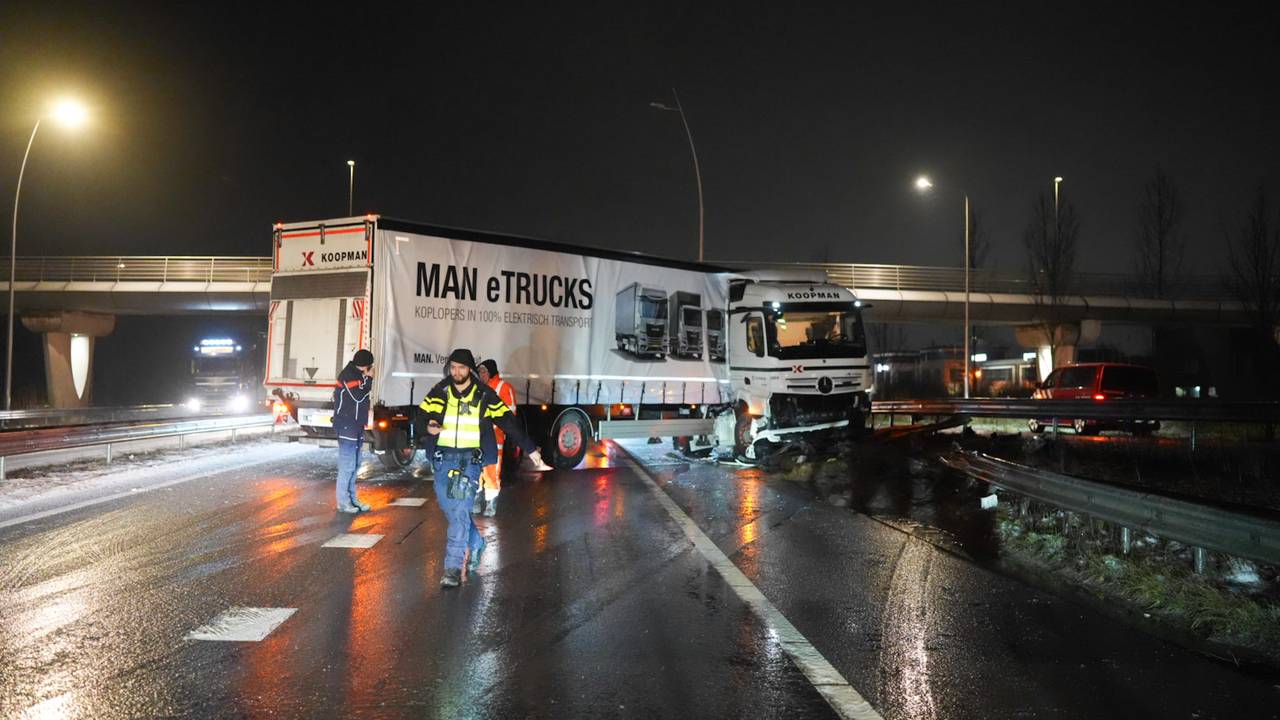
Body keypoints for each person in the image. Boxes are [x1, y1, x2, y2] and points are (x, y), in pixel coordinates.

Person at [420, 348, 550, 588]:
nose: (457, 372)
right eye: (453, 367)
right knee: (449, 508)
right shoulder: (441, 391)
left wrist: (532, 451)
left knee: (459, 513)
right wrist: (428, 425)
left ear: (470, 369)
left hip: (469, 461)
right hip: (443, 458)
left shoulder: (484, 395)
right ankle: (477, 543)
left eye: (462, 367)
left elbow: (509, 423)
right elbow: (421, 415)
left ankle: (452, 568)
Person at [332, 349, 375, 513]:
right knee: (347, 465)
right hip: (346, 425)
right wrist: (369, 378)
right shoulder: (348, 375)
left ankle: (352, 500)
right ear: (366, 365)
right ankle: (343, 502)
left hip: (356, 424)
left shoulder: (357, 375)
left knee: (355, 464)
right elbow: (357, 395)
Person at [474, 358, 517, 517]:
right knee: (476, 469)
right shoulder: (478, 388)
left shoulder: (504, 388)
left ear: (491, 371)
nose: (481, 374)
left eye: (483, 371)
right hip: (477, 437)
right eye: (479, 372)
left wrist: (493, 424)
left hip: (494, 437)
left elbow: (509, 413)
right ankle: (477, 499)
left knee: (491, 471)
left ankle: (491, 502)